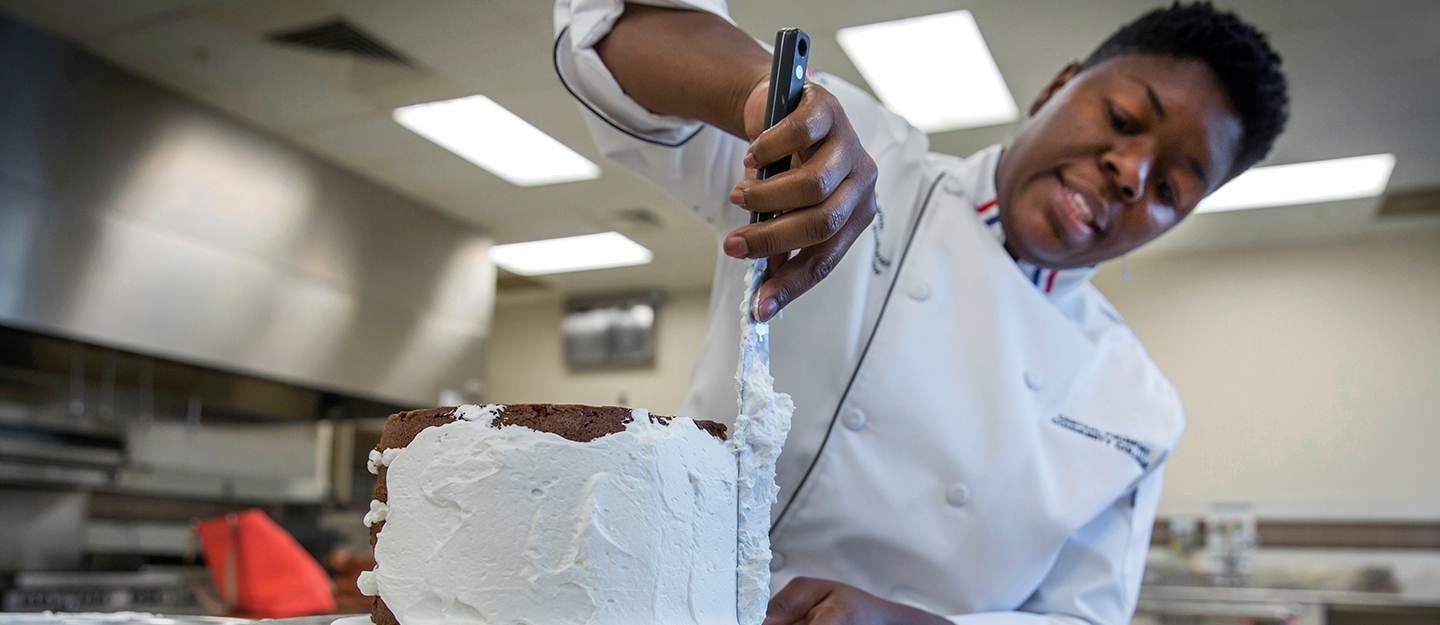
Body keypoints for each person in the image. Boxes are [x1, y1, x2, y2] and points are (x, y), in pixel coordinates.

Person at [553, 1, 1288, 623]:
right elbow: (613, 33)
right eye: (1126, 117)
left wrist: (910, 622)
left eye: (1172, 188)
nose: (1132, 173)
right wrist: (767, 99)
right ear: (1058, 87)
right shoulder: (863, 156)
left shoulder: (1136, 408)